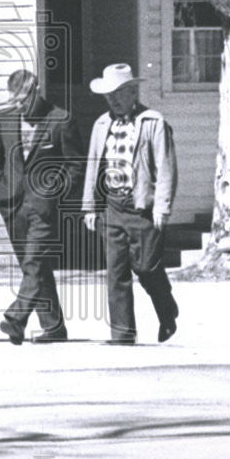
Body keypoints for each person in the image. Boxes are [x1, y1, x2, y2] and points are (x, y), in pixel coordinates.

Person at [82, 64, 179, 345]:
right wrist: (90, 206)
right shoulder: (102, 125)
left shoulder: (152, 122)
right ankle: (122, 333)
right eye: (108, 94)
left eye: (118, 93)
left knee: (147, 267)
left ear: (132, 91)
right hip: (113, 205)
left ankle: (166, 308)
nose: (112, 99)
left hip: (142, 207)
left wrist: (162, 207)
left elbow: (166, 168)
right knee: (116, 271)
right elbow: (92, 166)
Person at [0, 69, 83, 345]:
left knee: (33, 262)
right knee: (35, 267)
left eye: (23, 100)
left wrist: (53, 194)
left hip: (43, 207)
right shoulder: (4, 119)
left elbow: (76, 166)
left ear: (36, 91)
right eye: (14, 101)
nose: (19, 106)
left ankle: (16, 318)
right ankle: (53, 327)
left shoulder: (60, 119)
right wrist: (0, 190)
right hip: (12, 206)